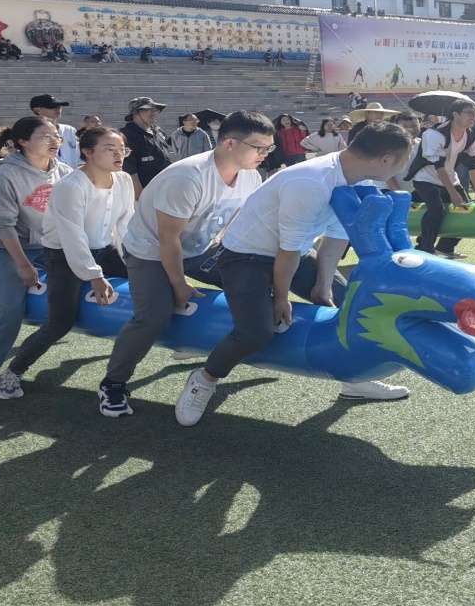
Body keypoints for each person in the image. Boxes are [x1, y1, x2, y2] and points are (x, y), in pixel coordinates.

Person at [167, 122, 415, 427]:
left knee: (353, 303)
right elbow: (287, 251)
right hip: (246, 257)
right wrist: (280, 297)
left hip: (293, 253)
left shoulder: (359, 179)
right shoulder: (311, 181)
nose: (404, 166)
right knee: (256, 332)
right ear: (386, 159)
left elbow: (335, 238)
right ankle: (204, 379)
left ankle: (354, 378)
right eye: (405, 160)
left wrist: (323, 285)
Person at [96, 111, 276, 417]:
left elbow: (232, 222)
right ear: (230, 143)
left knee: (256, 284)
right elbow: (167, 239)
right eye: (259, 147)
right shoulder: (187, 176)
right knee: (152, 317)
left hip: (201, 247)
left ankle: (212, 343)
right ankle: (113, 383)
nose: (265, 154)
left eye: (269, 147)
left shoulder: (250, 175)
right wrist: (178, 283)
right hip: (151, 251)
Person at [0, 127, 134, 399]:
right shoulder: (71, 186)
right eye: (110, 149)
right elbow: (72, 236)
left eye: (122, 149)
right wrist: (94, 276)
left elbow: (127, 223)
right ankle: (13, 371)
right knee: (59, 323)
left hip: (103, 249)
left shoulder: (123, 179)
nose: (119, 155)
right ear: (87, 152)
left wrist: (136, 259)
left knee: (148, 281)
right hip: (62, 253)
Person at [0, 116, 71, 392]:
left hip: (49, 243)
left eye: (56, 136)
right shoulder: (4, 176)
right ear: (23, 141)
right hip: (7, 245)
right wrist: (23, 265)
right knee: (8, 309)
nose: (54, 141)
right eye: (46, 136)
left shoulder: (64, 171)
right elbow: (3, 226)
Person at [411, 98, 475, 258]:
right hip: (426, 178)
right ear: (455, 114)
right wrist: (452, 192)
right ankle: (425, 249)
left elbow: (474, 163)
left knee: (466, 210)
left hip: (450, 178)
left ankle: (445, 246)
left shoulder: (472, 134)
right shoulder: (434, 133)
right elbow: (438, 165)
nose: (474, 117)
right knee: (436, 209)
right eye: (470, 113)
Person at [120, 96, 175, 198]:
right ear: (136, 112)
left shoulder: (158, 131)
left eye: (155, 110)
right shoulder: (128, 135)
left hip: (165, 187)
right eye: (148, 110)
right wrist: (139, 194)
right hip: (146, 192)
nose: (153, 113)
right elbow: (129, 167)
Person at [30, 94, 80, 169]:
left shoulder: (70, 130)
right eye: (52, 106)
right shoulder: (32, 132)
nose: (58, 109)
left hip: (71, 174)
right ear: (37, 110)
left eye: (59, 106)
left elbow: (79, 155)